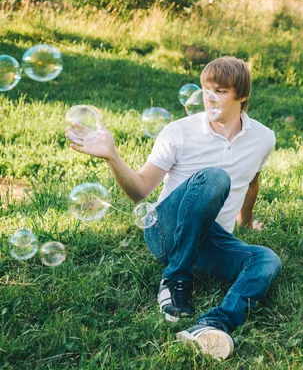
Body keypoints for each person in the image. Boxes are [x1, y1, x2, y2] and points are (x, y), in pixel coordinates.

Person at [67, 56, 281, 360]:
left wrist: (246, 222)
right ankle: (175, 279)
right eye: (206, 89)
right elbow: (140, 190)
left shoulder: (263, 138)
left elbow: (251, 182)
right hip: (166, 232)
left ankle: (212, 324)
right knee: (214, 178)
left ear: (242, 96)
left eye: (219, 91)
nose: (209, 97)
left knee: (266, 260)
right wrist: (112, 156)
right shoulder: (179, 132)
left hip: (212, 240)